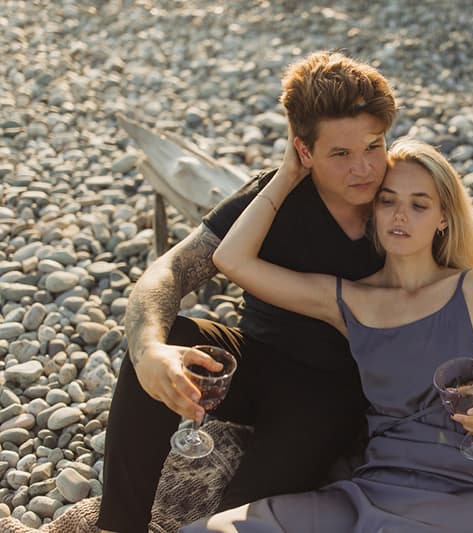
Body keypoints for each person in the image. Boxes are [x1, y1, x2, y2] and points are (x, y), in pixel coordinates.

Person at [181, 137, 473, 532]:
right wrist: (289, 172)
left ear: (444, 218)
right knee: (210, 530)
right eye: (388, 201)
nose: (400, 215)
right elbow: (230, 259)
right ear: (374, 210)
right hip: (373, 483)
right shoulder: (351, 300)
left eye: (419, 205)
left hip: (464, 490)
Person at [98, 51, 409, 532]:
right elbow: (173, 269)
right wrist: (148, 349)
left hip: (333, 395)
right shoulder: (273, 198)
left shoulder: (403, 203)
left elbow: (463, 287)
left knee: (235, 520)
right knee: (169, 336)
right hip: (255, 362)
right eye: (341, 154)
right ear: (303, 151)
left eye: (374, 145)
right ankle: (117, 526)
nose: (365, 169)